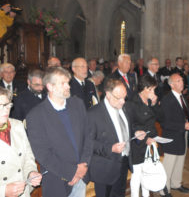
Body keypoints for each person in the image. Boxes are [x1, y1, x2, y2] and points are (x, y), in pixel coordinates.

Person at [26, 67, 93, 197]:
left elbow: (88, 137)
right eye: (63, 83)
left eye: (68, 82)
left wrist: (83, 165)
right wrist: (73, 171)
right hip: (57, 180)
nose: (68, 86)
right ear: (50, 86)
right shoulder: (35, 115)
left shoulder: (77, 104)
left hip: (82, 174)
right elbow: (43, 154)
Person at [88, 78, 146, 197]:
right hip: (105, 167)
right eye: (118, 98)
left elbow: (128, 127)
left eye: (125, 97)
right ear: (108, 95)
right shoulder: (93, 114)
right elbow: (88, 143)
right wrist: (110, 148)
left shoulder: (124, 108)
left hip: (123, 162)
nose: (123, 101)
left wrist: (136, 133)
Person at [158, 73, 189, 197]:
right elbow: (165, 122)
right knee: (169, 164)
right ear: (171, 85)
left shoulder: (182, 96)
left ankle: (176, 183)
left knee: (180, 161)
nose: (182, 82)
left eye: (182, 80)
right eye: (178, 81)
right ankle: (164, 190)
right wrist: (182, 125)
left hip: (182, 135)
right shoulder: (167, 99)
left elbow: (183, 115)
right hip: (172, 137)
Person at [0, 87, 42, 197]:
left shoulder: (17, 125)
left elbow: (28, 156)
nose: (6, 110)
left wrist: (31, 172)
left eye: (8, 105)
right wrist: (3, 191)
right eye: (1, 106)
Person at [126, 75, 158, 197]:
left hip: (150, 141)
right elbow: (130, 126)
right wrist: (145, 139)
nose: (154, 92)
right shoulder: (132, 103)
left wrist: (154, 103)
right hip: (137, 144)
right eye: (152, 89)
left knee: (146, 173)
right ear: (145, 88)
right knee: (137, 175)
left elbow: (156, 118)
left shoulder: (150, 101)